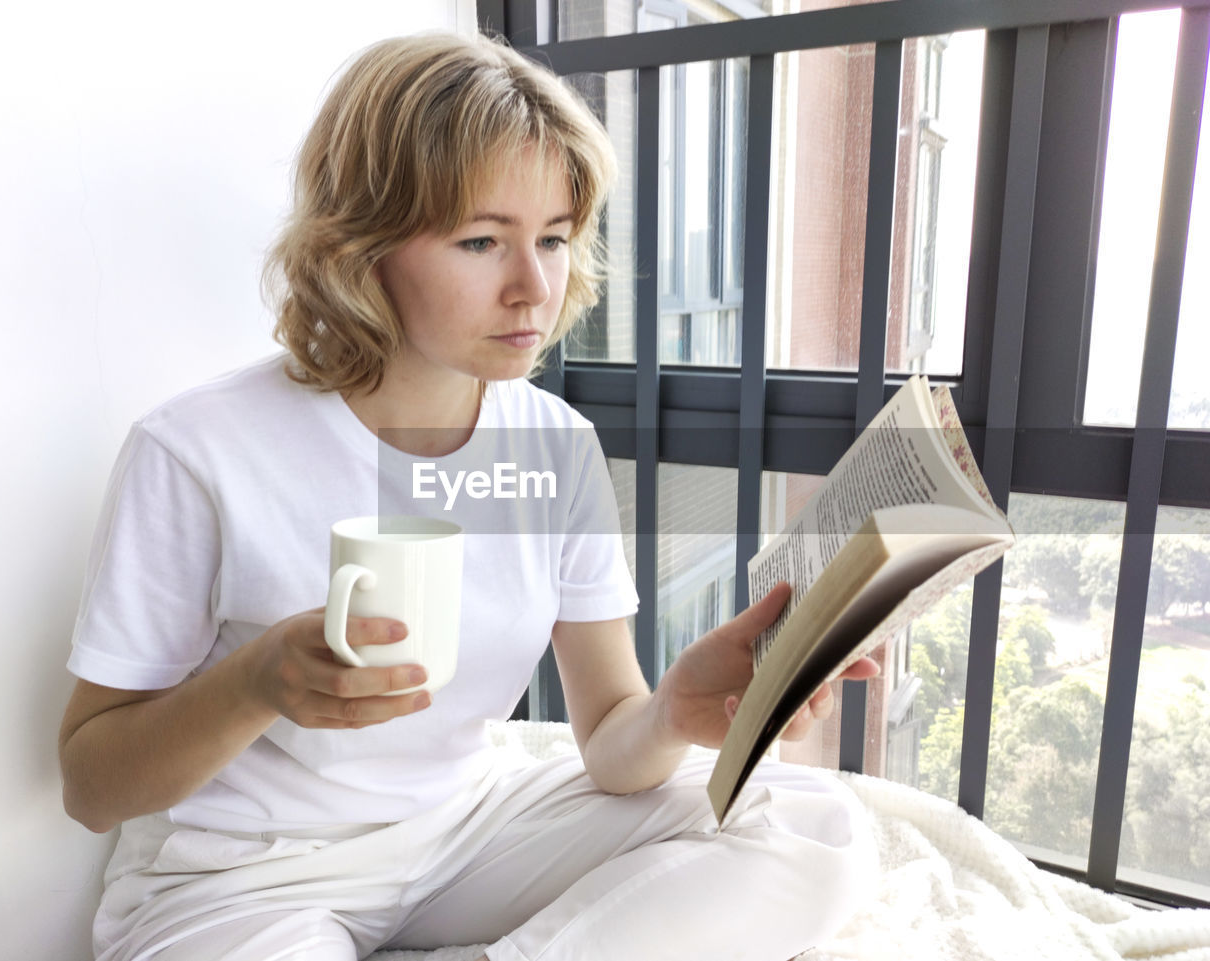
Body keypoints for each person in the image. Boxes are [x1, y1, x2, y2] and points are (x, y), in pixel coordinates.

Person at [58, 31, 880, 961]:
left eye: (556, 239)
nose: (534, 286)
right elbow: (91, 784)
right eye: (482, 240)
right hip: (243, 874)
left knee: (811, 823)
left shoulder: (556, 448)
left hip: (464, 833)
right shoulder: (197, 450)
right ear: (360, 247)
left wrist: (674, 711)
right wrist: (254, 683)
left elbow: (611, 743)